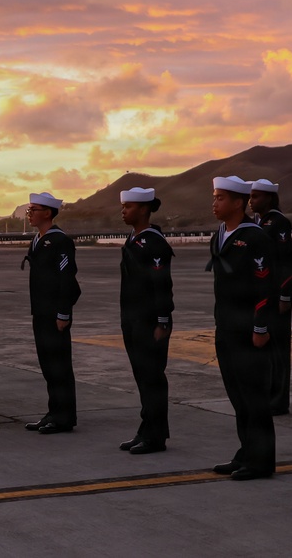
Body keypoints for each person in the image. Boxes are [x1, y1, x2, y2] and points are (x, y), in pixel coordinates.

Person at [207, 175, 276, 481]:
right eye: (214, 197)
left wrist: (261, 326)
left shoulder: (255, 236)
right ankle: (246, 452)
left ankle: (261, 459)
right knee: (237, 395)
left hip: (249, 328)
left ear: (238, 202)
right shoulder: (220, 235)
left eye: (221, 198)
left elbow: (265, 285)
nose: (215, 203)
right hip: (226, 325)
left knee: (254, 396)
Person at [117, 187, 174, 454]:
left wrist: (162, 321)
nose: (123, 211)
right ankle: (146, 429)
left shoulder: (154, 242)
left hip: (151, 321)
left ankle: (156, 435)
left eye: (128, 206)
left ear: (143, 209)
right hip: (132, 319)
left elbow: (162, 284)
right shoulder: (134, 238)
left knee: (152, 378)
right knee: (142, 377)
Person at [22, 192, 82, 435]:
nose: (30, 214)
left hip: (56, 314)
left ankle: (64, 416)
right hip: (41, 313)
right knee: (48, 365)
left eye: (33, 210)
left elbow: (67, 278)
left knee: (60, 366)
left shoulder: (60, 241)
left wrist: (63, 313)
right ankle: (53, 412)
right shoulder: (38, 239)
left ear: (47, 212)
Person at [249, 178, 292, 416]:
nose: (250, 200)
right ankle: (268, 394)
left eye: (256, 196)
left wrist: (286, 295)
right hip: (263, 295)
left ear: (269, 197)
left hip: (277, 295)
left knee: (277, 348)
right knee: (264, 348)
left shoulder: (279, 222)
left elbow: (288, 260)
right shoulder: (258, 223)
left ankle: (279, 399)